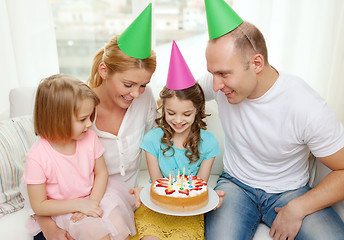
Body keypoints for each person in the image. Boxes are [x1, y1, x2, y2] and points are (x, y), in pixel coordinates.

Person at [201, 1, 344, 240]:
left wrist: (299, 207)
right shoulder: (220, 84)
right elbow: (176, 96)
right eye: (212, 73)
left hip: (290, 192)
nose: (215, 85)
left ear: (256, 63)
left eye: (223, 74)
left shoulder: (305, 106)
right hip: (235, 185)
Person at [30, 3, 157, 240]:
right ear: (104, 70)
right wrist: (49, 227)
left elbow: (159, 144)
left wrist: (154, 187)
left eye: (143, 85)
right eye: (128, 85)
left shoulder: (144, 99)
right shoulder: (75, 109)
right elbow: (43, 183)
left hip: (117, 199)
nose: (136, 94)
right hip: (74, 207)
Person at [132, 41, 221, 240]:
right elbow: (157, 184)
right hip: (155, 208)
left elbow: (200, 186)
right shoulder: (152, 140)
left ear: (197, 111)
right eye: (171, 112)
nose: (178, 120)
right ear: (162, 108)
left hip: (188, 212)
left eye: (187, 114)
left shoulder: (208, 142)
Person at [24, 74, 122, 240]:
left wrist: (93, 202)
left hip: (93, 197)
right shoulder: (37, 157)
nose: (90, 124)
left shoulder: (90, 138)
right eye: (83, 119)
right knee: (94, 232)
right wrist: (80, 205)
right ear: (57, 120)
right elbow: (39, 205)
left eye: (90, 116)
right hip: (61, 209)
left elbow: (101, 173)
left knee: (118, 222)